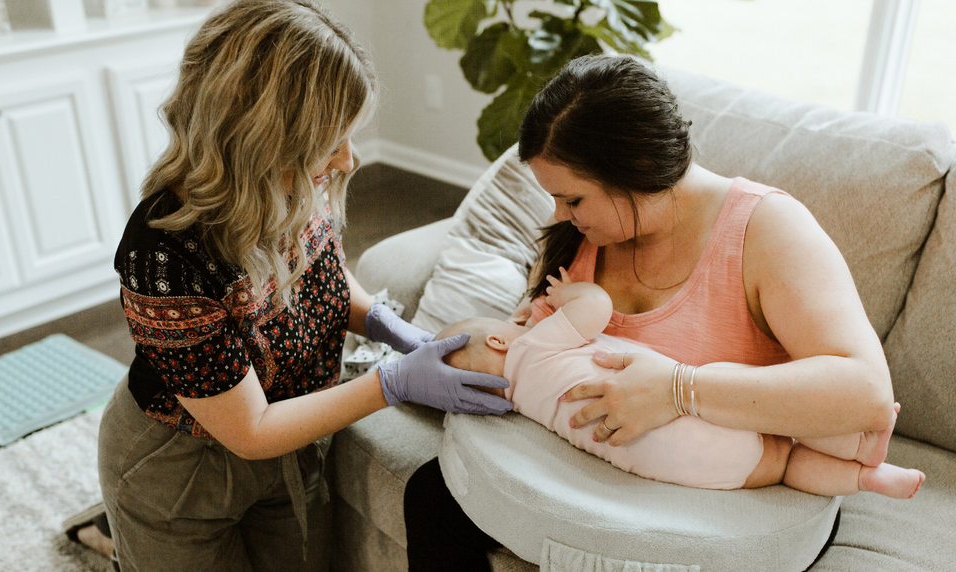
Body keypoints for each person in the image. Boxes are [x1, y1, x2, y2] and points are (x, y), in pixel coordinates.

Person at [404, 53, 903, 571]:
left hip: (728, 489)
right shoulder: (576, 240)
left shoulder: (768, 232)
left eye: (573, 198)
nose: (558, 215)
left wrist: (679, 389)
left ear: (634, 173)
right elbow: (525, 360)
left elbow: (866, 394)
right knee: (431, 496)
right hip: (596, 476)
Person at [69, 2, 513, 571]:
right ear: (260, 137)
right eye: (330, 142)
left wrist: (382, 320)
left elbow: (323, 275)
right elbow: (250, 431)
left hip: (291, 437)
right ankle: (110, 542)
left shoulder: (292, 183)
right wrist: (393, 383)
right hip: (180, 468)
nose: (348, 159)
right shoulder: (164, 252)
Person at [437, 268, 924, 498]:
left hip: (675, 465)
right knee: (769, 413)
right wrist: (568, 295)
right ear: (501, 342)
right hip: (690, 409)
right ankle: (859, 438)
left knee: (787, 460)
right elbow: (596, 308)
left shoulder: (519, 402)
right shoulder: (532, 345)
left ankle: (864, 479)